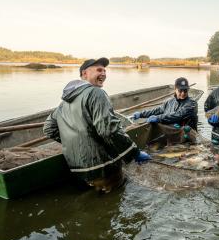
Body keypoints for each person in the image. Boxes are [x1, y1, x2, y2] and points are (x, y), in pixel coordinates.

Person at [43, 58, 151, 192]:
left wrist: (74, 143)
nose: (104, 74)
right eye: (99, 70)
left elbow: (48, 128)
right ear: (84, 74)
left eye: (105, 71)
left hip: (77, 169)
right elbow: (108, 130)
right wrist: (135, 152)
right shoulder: (96, 93)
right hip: (103, 166)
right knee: (114, 200)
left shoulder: (63, 103)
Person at [131, 77, 199, 130]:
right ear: (175, 89)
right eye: (180, 90)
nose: (183, 93)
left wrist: (158, 118)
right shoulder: (169, 102)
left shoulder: (192, 104)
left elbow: (178, 115)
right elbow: (157, 110)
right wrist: (141, 114)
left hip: (186, 135)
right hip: (171, 132)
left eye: (185, 90)